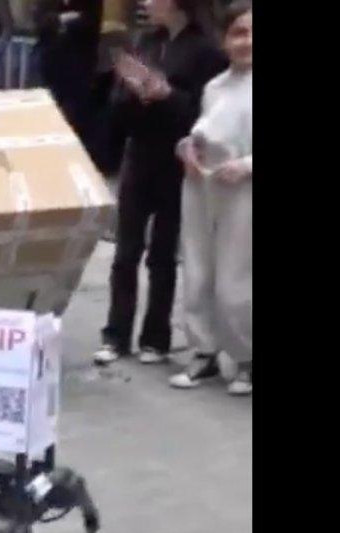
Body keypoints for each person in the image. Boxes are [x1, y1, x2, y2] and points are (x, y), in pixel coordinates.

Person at [91, 0, 226, 367]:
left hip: (177, 158)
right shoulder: (146, 42)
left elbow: (206, 114)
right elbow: (118, 104)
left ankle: (156, 338)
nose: (146, 3)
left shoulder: (206, 52)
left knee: (163, 254)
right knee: (125, 252)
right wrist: (131, 90)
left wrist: (167, 95)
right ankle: (116, 334)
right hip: (139, 153)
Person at [169, 0, 251, 394]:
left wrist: (247, 166)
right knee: (199, 272)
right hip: (202, 187)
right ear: (224, 40)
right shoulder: (214, 88)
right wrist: (187, 147)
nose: (246, 42)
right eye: (239, 33)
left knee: (237, 280)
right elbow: (203, 132)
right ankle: (204, 352)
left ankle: (247, 357)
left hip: (244, 193)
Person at [34, 0, 102, 142]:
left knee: (75, 115)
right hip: (50, 62)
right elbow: (40, 20)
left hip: (78, 66)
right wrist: (60, 19)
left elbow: (90, 22)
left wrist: (62, 22)